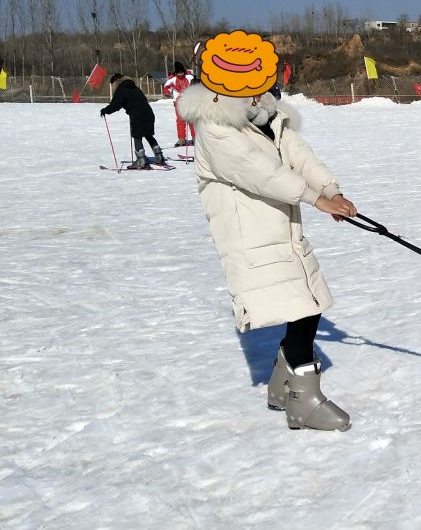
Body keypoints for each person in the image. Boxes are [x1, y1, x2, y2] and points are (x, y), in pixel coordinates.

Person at [177, 40, 357, 432]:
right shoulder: (215, 126)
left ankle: (283, 386)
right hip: (251, 235)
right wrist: (315, 200)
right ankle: (303, 401)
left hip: (282, 229)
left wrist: (331, 189)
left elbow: (298, 153)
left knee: (308, 303)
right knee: (303, 308)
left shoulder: (265, 114)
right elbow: (257, 171)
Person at [100, 73, 165, 169]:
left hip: (137, 115)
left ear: (115, 82)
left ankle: (141, 161)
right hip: (149, 113)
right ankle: (159, 157)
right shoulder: (135, 88)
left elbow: (115, 105)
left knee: (137, 136)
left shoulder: (121, 90)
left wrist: (105, 110)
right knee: (148, 134)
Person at [162, 61, 196, 146]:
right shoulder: (172, 80)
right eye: (178, 72)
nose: (180, 74)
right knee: (180, 121)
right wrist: (167, 92)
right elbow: (166, 87)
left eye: (182, 72)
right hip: (179, 102)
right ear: (176, 72)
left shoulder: (189, 77)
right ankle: (181, 139)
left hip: (190, 100)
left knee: (192, 120)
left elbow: (196, 82)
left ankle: (196, 138)